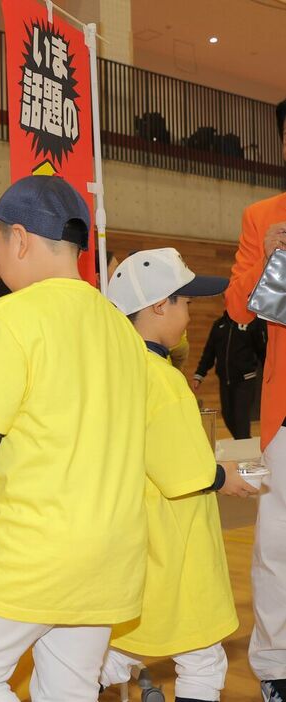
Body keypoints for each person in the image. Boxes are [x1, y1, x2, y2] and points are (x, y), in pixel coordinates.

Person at [0, 175, 155, 701]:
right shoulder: (118, 327)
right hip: (110, 549)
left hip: (34, 547)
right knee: (69, 688)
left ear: (18, 239)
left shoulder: (8, 317)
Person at [102, 248, 257, 702]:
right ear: (157, 306)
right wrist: (223, 475)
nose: (190, 313)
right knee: (203, 658)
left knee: (119, 650)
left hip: (133, 538)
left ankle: (61, 686)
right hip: (176, 541)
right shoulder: (164, 380)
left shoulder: (117, 368)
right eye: (184, 302)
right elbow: (182, 469)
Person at [224, 97, 286, 702]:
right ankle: (275, 669)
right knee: (275, 539)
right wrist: (269, 253)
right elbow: (239, 309)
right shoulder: (262, 216)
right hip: (284, 407)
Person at [193, 309, 267, 439]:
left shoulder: (252, 323)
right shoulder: (219, 325)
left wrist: (268, 374)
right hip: (225, 380)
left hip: (245, 380)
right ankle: (243, 442)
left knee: (240, 419)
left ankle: (244, 451)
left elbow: (262, 350)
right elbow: (209, 352)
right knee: (228, 416)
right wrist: (200, 374)